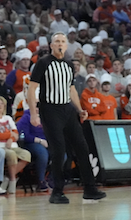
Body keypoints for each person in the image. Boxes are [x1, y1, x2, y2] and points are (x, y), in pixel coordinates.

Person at [26, 32, 107, 204]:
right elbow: (31, 89)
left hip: (67, 109)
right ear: (51, 45)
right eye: (57, 41)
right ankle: (57, 192)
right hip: (50, 109)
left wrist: (79, 110)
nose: (60, 44)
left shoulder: (69, 65)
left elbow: (71, 90)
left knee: (82, 148)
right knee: (59, 150)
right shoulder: (42, 63)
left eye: (63, 41)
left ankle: (90, 189)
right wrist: (34, 113)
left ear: (67, 45)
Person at [0, 96, 30, 194]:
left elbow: (16, 134)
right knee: (11, 154)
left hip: (12, 145)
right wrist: (10, 135)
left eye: (2, 104)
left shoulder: (8, 118)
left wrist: (11, 138)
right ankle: (12, 180)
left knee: (26, 154)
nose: (0, 106)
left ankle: (7, 178)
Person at [16, 106, 49, 192]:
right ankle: (40, 181)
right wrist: (40, 141)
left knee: (62, 154)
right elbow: (24, 135)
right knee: (42, 153)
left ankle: (51, 178)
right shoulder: (26, 117)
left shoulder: (45, 116)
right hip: (30, 143)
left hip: (46, 142)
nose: (37, 107)